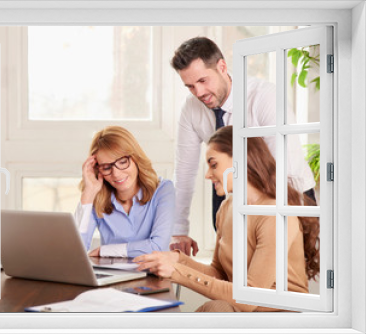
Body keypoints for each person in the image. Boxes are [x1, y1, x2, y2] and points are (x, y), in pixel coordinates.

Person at [134, 126, 320, 312]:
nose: (207, 174)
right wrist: (177, 259)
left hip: (279, 316)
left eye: (213, 164)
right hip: (245, 311)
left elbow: (250, 298)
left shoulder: (275, 214)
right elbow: (219, 273)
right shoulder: (227, 208)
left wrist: (177, 272)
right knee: (215, 309)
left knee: (215, 310)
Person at [169, 37, 316, 255]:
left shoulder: (264, 97)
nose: (198, 93)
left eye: (203, 81)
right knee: (232, 272)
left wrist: (278, 222)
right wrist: (179, 229)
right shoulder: (191, 109)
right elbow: (184, 172)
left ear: (222, 67)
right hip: (230, 194)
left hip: (286, 191)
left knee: (281, 277)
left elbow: (285, 169)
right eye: (190, 86)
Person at [74, 126, 175, 258]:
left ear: (135, 159)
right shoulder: (97, 198)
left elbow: (158, 247)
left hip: (153, 277)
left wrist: (105, 251)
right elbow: (75, 251)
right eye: (106, 167)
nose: (116, 174)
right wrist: (88, 193)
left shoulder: (163, 190)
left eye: (122, 162)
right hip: (112, 277)